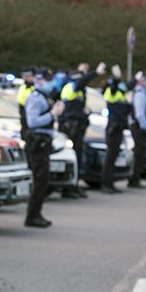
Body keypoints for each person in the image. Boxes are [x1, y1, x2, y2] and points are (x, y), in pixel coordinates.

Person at [58, 62, 106, 198]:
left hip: (78, 128)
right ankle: (67, 189)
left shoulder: (80, 90)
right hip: (71, 128)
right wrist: (96, 73)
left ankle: (74, 186)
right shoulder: (71, 86)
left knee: (78, 158)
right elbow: (81, 83)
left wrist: (85, 113)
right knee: (73, 158)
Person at [24, 71, 65, 228]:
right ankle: (32, 215)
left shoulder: (44, 97)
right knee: (40, 179)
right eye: (48, 80)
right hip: (38, 143)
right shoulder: (35, 98)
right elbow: (33, 122)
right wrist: (52, 114)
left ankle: (36, 213)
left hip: (44, 143)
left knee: (43, 180)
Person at [100, 65, 132, 194]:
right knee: (110, 157)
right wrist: (116, 76)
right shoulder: (111, 93)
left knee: (114, 157)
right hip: (113, 129)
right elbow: (114, 86)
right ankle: (105, 183)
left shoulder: (121, 95)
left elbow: (126, 112)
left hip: (119, 128)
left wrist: (129, 103)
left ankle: (110, 182)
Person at [128, 71, 146, 189]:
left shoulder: (144, 93)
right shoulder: (140, 94)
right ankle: (134, 179)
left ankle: (135, 178)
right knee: (139, 153)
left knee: (140, 153)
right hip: (138, 127)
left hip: (139, 126)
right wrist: (145, 127)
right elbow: (140, 114)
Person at [16, 67, 36, 142]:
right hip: (25, 119)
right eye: (24, 76)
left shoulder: (36, 87)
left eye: (28, 76)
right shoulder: (23, 87)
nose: (26, 78)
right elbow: (21, 105)